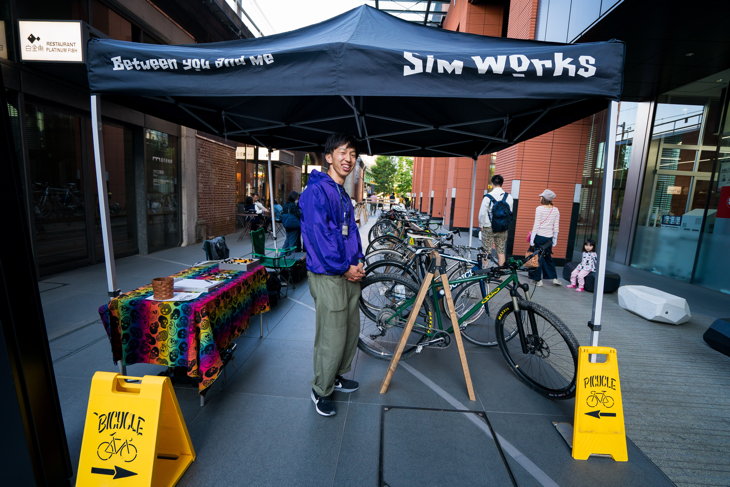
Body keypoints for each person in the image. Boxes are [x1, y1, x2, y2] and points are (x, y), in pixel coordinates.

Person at [299, 133, 365, 417]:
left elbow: (351, 234)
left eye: (352, 154)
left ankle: (336, 376)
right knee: (332, 334)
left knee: (349, 330)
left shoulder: (341, 193)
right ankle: (320, 389)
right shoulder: (316, 191)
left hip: (346, 272)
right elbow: (321, 237)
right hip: (328, 273)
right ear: (328, 157)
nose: (348, 159)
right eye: (342, 152)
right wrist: (345, 267)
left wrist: (358, 261)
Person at [478, 174, 514, 266]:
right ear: (502, 183)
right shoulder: (509, 197)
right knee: (501, 251)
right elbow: (510, 213)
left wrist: (481, 225)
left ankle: (485, 274)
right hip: (502, 227)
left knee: (486, 251)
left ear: (492, 183)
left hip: (488, 227)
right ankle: (500, 275)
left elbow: (482, 213)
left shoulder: (487, 197)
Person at [528, 189, 561, 287]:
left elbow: (536, 225)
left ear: (544, 199)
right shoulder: (555, 210)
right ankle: (554, 278)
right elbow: (556, 226)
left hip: (539, 237)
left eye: (541, 196)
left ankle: (538, 280)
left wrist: (532, 239)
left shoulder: (539, 209)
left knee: (534, 257)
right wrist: (555, 239)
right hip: (548, 239)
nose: (540, 197)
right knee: (547, 257)